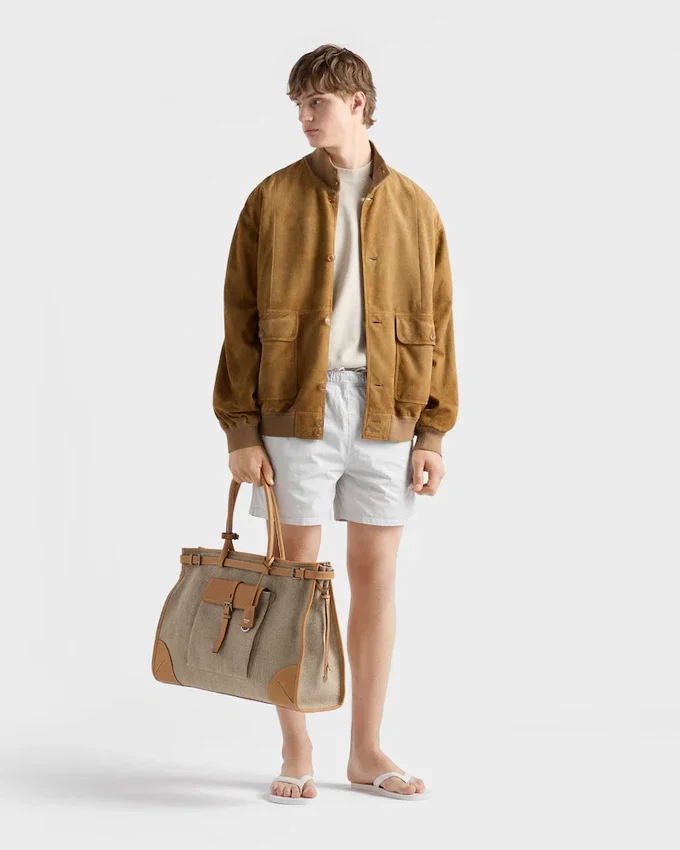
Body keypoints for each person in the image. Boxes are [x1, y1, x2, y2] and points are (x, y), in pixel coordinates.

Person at [213, 44, 459, 803]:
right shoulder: (272, 198)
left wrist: (432, 434)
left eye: (316, 102)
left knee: (376, 581)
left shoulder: (416, 207)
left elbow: (440, 325)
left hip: (388, 411)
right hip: (296, 409)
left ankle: (365, 749)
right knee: (294, 580)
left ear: (358, 102)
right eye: (298, 103)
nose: (304, 116)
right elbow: (239, 321)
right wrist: (241, 430)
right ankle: (297, 745)